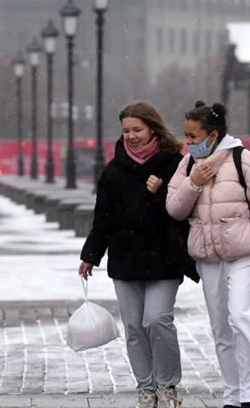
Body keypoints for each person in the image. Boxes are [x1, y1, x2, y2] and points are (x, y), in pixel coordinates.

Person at [166, 101, 250, 408]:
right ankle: (234, 393)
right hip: (208, 257)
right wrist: (194, 184)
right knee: (221, 327)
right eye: (186, 136)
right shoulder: (187, 165)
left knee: (242, 317)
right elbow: (174, 209)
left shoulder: (243, 160)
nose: (188, 143)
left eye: (194, 136)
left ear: (213, 135)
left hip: (243, 253)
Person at [79, 102, 195, 408]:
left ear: (152, 128)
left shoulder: (174, 163)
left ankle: (168, 385)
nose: (131, 136)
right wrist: (91, 255)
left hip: (165, 256)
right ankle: (146, 388)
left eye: (137, 130)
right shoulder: (114, 170)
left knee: (157, 320)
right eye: (126, 131)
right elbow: (103, 217)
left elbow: (184, 210)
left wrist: (162, 192)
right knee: (134, 327)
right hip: (125, 258)